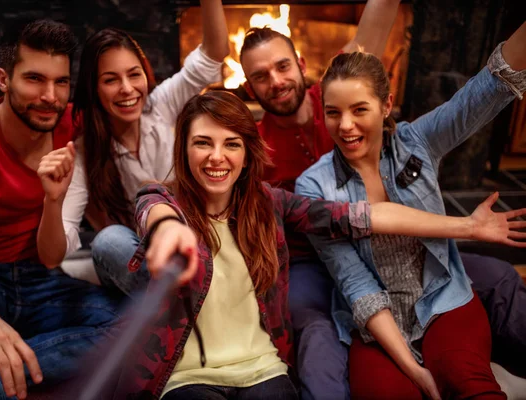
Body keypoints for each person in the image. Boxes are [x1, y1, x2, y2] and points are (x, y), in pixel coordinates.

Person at [124, 90, 525, 399]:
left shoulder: (270, 203)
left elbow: (370, 215)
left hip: (263, 369)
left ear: (247, 153)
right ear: (184, 148)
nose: (217, 157)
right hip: (188, 376)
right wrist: (167, 230)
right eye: (202, 143)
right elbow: (152, 211)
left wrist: (468, 227)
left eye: (231, 143)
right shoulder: (162, 199)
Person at [238, 10, 526, 400]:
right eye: (335, 114)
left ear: (385, 105)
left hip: (436, 290)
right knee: (327, 344)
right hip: (331, 277)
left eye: (359, 110)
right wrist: (469, 228)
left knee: (496, 294)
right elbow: (356, 283)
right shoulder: (298, 172)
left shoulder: (413, 142)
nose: (345, 126)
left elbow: (479, 95)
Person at [0, 20, 122, 399]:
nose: (50, 96)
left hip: (40, 280)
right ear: (3, 79)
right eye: (34, 79)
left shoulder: (72, 123)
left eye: (61, 82)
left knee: (132, 331)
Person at [54, 0, 229, 293]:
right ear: (94, 89)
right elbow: (64, 238)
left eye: (134, 74)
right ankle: (192, 298)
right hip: (142, 257)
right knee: (109, 240)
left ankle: (191, 297)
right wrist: (51, 201)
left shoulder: (160, 105)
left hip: (194, 238)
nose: (127, 88)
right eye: (111, 80)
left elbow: (213, 55)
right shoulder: (86, 152)